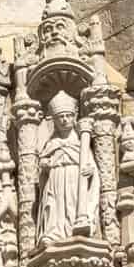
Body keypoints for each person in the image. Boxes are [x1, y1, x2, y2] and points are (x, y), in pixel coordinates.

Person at [36, 90, 100, 243]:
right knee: (54, 206)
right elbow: (42, 171)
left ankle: (76, 227)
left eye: (68, 116)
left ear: (74, 117)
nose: (64, 120)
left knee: (72, 203)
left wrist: (90, 171)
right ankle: (53, 232)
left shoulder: (81, 144)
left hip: (75, 178)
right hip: (56, 179)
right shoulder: (51, 144)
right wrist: (44, 167)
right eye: (60, 117)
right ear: (55, 120)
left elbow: (92, 167)